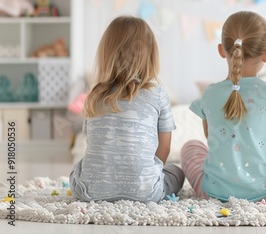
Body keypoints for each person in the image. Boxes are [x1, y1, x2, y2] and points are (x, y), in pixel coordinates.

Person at [180, 11, 266, 202]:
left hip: (212, 191)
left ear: (222, 50)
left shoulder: (210, 93)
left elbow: (209, 137)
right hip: (264, 191)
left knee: (190, 147)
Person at [69, 16, 184, 203]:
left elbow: (92, 141)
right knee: (176, 172)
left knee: (78, 171)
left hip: (89, 192)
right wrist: (147, 174)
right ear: (151, 55)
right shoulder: (158, 92)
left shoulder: (94, 94)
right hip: (146, 193)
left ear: (106, 54)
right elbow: (164, 147)